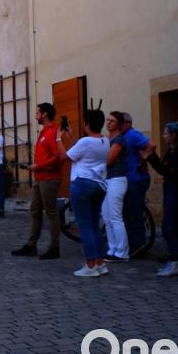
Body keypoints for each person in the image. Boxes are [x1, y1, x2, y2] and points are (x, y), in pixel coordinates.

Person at [55, 109, 110, 277]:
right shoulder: (105, 141)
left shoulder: (85, 142)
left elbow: (64, 157)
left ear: (86, 124)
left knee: (84, 226)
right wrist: (71, 137)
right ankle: (100, 263)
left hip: (82, 184)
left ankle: (90, 264)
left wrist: (58, 138)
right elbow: (81, 151)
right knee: (94, 225)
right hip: (99, 184)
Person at [12, 103, 62, 260]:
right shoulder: (44, 131)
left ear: (44, 114)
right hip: (40, 178)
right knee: (35, 211)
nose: (35, 116)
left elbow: (57, 157)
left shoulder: (52, 132)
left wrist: (39, 166)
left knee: (51, 212)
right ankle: (31, 245)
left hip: (49, 178)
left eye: (37, 112)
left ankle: (54, 247)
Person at [142, 122, 178, 278]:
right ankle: (176, 260)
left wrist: (152, 158)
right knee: (172, 226)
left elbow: (171, 172)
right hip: (171, 189)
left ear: (174, 135)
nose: (163, 136)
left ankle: (176, 260)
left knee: (171, 226)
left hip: (177, 190)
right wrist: (152, 158)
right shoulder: (172, 150)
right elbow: (164, 169)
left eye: (166, 133)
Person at [121, 113, 156, 255]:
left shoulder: (133, 134)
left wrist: (144, 159)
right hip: (129, 178)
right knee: (129, 211)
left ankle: (138, 244)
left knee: (135, 212)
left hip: (136, 179)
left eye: (120, 122)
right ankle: (133, 242)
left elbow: (152, 145)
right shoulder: (124, 136)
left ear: (127, 123)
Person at [103, 111, 129, 262]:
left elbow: (108, 160)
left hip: (117, 180)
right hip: (108, 180)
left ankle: (122, 252)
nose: (108, 123)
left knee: (115, 217)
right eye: (108, 120)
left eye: (112, 121)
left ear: (118, 124)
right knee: (107, 217)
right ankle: (112, 248)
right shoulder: (108, 139)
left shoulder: (119, 140)